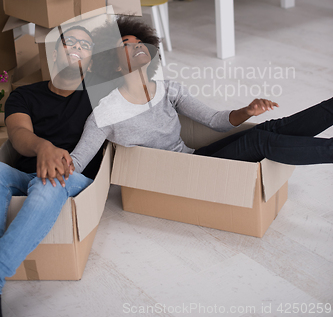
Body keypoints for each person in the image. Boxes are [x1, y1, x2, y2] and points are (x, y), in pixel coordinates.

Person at [70, 16, 333, 176]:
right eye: (125, 44)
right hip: (178, 174)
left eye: (138, 41)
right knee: (261, 142)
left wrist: (247, 111)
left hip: (194, 158)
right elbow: (78, 161)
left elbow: (215, 120)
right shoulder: (105, 113)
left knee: (268, 129)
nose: (137, 45)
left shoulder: (168, 89)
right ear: (114, 65)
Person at [0, 25, 104, 317]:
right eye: (68, 42)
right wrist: (43, 147)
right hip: (25, 175)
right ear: (55, 53)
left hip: (72, 178)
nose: (75, 47)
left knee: (51, 182)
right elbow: (19, 133)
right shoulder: (24, 96)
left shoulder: (99, 97)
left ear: (91, 61)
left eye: (84, 45)